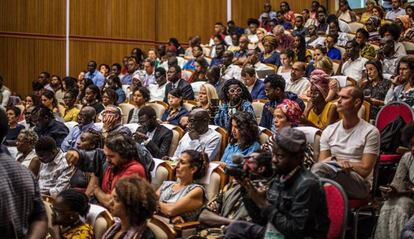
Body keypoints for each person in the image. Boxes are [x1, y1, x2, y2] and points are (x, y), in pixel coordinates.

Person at [225, 128, 329, 239]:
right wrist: (248, 192)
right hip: (276, 233)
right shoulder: (279, 176)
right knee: (236, 228)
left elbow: (295, 231)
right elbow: (261, 220)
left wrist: (263, 204)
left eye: (280, 156)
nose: (273, 160)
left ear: (298, 158)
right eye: (273, 154)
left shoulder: (308, 185)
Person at [312, 86, 380, 199]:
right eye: (338, 97)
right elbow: (322, 162)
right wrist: (338, 163)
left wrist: (341, 163)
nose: (338, 101)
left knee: (318, 171)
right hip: (332, 176)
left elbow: (365, 169)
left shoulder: (371, 132)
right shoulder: (329, 130)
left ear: (357, 102)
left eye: (344, 97)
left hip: (360, 185)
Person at [0, 108, 48, 238]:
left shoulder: (33, 162)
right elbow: (40, 218)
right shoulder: (25, 174)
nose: (18, 143)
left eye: (21, 141)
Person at [66, 132, 148, 208]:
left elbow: (112, 203)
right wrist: (76, 153)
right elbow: (88, 156)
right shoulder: (107, 160)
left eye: (111, 156)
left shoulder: (135, 169)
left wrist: (96, 190)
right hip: (100, 207)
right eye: (106, 155)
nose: (107, 160)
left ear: (124, 154)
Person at [198, 150, 273, 227]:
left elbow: (253, 225)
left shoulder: (264, 193)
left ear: (261, 169)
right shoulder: (232, 186)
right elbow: (203, 215)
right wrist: (232, 222)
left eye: (250, 159)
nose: (244, 162)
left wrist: (219, 219)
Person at [374, 123, 414, 238]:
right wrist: (389, 191)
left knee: (403, 205)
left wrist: (403, 193)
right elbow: (397, 184)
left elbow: (404, 192)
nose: (413, 149)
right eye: (411, 145)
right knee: (388, 205)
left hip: (410, 198)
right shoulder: (408, 157)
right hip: (410, 197)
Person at [157, 150, 208, 223]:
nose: (177, 165)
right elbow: (147, 203)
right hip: (157, 223)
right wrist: (171, 215)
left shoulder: (197, 190)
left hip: (174, 230)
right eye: (178, 161)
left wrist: (157, 206)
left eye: (182, 162)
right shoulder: (166, 184)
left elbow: (170, 210)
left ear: (193, 169)